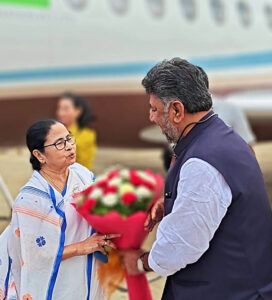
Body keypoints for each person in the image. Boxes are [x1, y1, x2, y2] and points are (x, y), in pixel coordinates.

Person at [122, 58, 272, 299]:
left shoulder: (202, 164)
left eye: (154, 109)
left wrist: (140, 262)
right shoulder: (222, 135)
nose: (151, 117)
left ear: (177, 111)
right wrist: (174, 203)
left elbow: (179, 248)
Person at [0, 119, 119, 300]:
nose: (70, 147)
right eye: (60, 143)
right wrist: (82, 247)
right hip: (55, 283)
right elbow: (33, 255)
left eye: (69, 139)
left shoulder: (82, 174)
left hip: (88, 273)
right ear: (40, 155)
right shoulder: (30, 199)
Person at [57, 92, 97, 170]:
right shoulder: (53, 132)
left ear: (78, 111)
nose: (60, 113)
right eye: (59, 108)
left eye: (66, 109)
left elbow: (84, 165)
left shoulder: (87, 135)